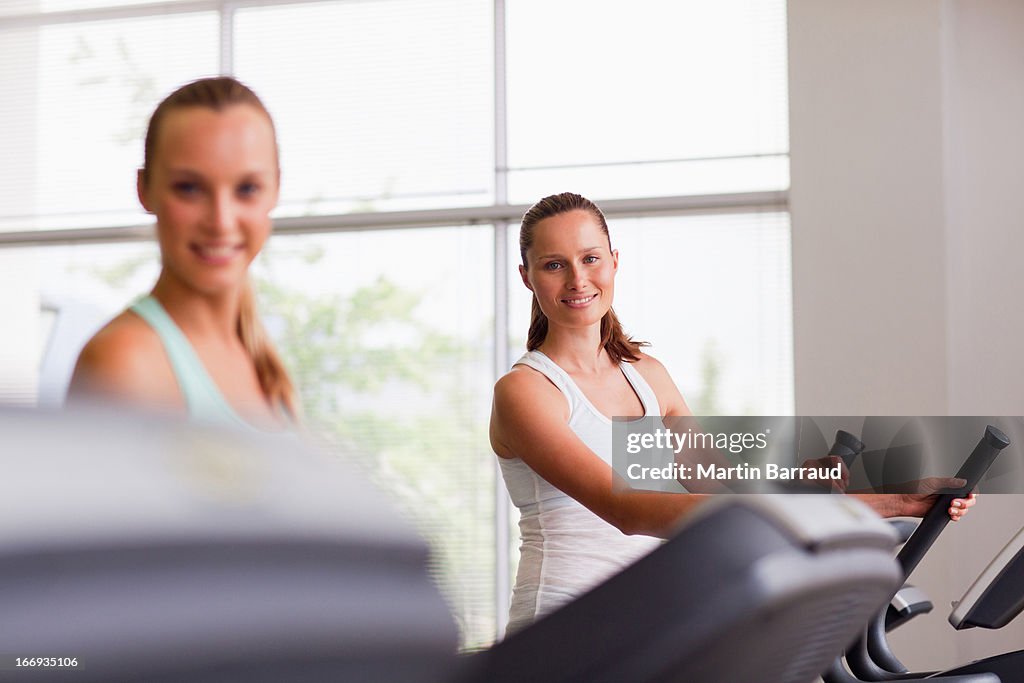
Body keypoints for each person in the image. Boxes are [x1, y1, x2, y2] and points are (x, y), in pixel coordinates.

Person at [489, 191, 976, 633]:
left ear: (614, 262)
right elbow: (627, 509)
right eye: (554, 265)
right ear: (527, 276)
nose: (578, 279)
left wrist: (888, 496)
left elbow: (725, 491)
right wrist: (882, 504)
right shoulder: (526, 391)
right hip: (559, 630)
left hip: (644, 623)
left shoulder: (647, 374)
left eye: (590, 258)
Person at [68, 77, 297, 430]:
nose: (221, 222)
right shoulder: (123, 364)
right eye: (189, 188)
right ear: (144, 190)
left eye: (247, 188)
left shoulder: (259, 359)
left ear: (276, 189)